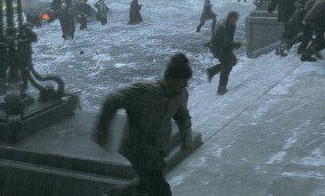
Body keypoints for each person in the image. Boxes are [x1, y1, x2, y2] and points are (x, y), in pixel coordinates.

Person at [92, 52, 195, 196]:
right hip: (137, 149)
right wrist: (102, 133)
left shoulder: (181, 94)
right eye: (183, 80)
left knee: (146, 185)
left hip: (158, 150)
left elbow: (182, 116)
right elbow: (112, 100)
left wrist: (187, 139)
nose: (186, 84)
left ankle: (114, 194)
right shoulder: (145, 91)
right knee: (162, 191)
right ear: (171, 79)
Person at [206, 11, 247, 95]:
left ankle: (212, 71)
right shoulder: (224, 26)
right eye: (236, 19)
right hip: (217, 48)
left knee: (233, 61)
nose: (237, 21)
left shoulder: (231, 24)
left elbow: (228, 41)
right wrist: (241, 43)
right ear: (231, 18)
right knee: (228, 63)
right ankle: (221, 88)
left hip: (223, 47)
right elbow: (227, 43)